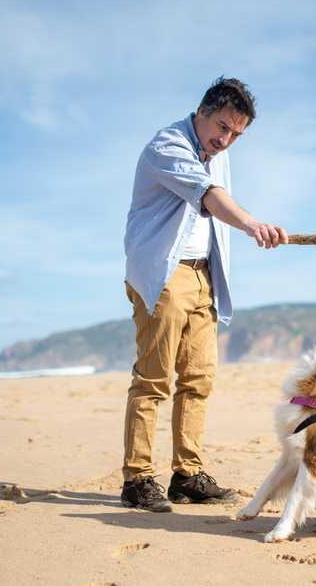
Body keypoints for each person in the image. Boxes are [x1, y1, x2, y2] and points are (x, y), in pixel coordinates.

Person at [121, 77, 288, 512]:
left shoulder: (218, 155)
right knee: (153, 380)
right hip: (164, 275)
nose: (226, 139)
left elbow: (215, 205)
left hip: (203, 277)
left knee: (198, 379)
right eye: (222, 127)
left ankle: (187, 474)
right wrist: (253, 224)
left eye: (236, 134)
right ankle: (137, 479)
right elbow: (209, 197)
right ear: (202, 111)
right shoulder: (168, 145)